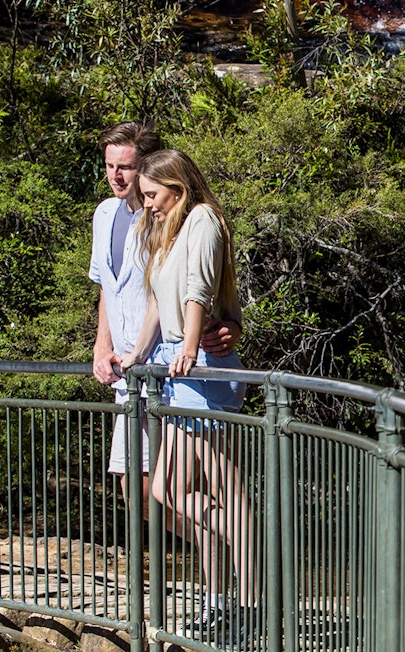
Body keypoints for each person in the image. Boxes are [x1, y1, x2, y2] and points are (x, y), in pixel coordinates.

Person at [119, 149, 257, 647]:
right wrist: (136, 352)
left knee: (226, 487)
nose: (148, 205)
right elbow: (159, 298)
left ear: (176, 188)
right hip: (177, 365)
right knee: (164, 491)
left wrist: (194, 347)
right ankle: (228, 585)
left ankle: (247, 602)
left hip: (200, 367)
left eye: (153, 195)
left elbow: (199, 290)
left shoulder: (202, 219)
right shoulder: (167, 229)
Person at [89, 121, 242, 496]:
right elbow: (108, 287)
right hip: (132, 371)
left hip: (172, 366)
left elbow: (203, 285)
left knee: (174, 490)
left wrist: (230, 326)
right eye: (110, 166)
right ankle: (223, 549)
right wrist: (102, 345)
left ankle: (231, 549)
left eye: (125, 166)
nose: (116, 175)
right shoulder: (105, 215)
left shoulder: (178, 217)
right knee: (140, 491)